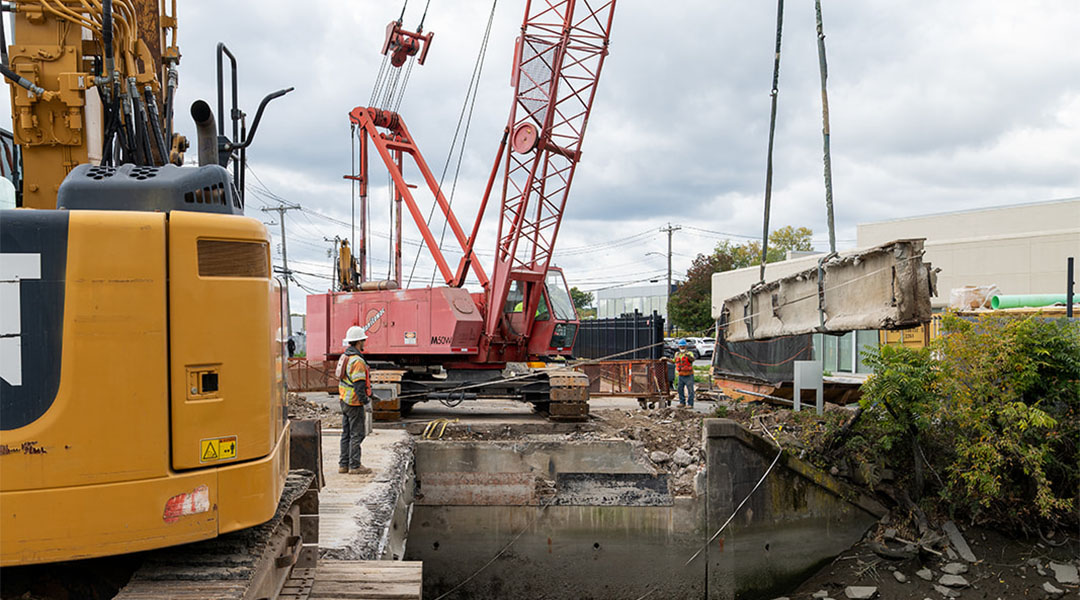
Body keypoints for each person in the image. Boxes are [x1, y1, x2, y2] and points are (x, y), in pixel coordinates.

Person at [335, 326, 372, 474]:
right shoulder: (358, 361)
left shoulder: (345, 357)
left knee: (346, 434)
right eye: (363, 340)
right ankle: (355, 466)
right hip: (354, 402)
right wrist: (366, 402)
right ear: (359, 342)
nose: (364, 343)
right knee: (357, 434)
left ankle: (343, 465)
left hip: (344, 400)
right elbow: (359, 385)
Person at [672, 339, 696, 408]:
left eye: (683, 346)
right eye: (681, 346)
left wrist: (688, 356)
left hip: (689, 375)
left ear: (686, 346)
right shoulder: (677, 354)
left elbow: (692, 359)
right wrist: (666, 359)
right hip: (681, 375)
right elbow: (674, 361)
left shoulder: (689, 353)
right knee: (680, 389)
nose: (682, 348)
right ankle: (682, 402)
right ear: (679, 347)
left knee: (690, 390)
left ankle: (690, 404)